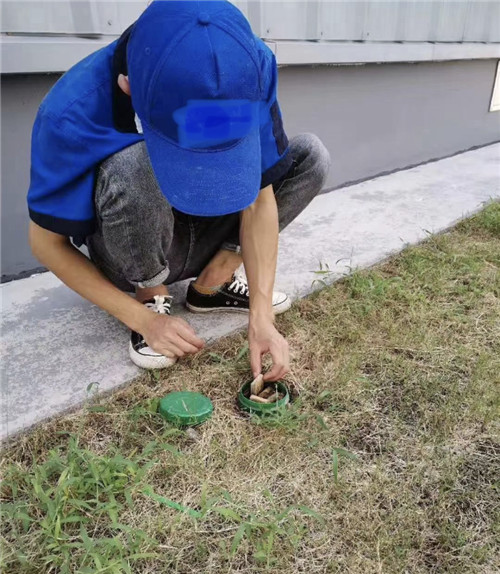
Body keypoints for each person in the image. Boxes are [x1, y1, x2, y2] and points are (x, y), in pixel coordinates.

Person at [27, 0, 330, 381]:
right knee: (132, 163)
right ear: (128, 87)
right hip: (131, 250)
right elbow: (46, 243)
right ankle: (151, 296)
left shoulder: (250, 67)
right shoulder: (71, 111)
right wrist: (142, 320)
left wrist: (262, 315)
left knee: (310, 156)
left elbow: (259, 198)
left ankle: (213, 284)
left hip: (204, 236)